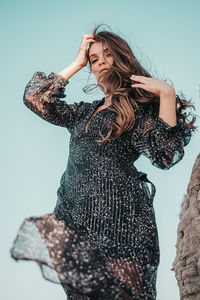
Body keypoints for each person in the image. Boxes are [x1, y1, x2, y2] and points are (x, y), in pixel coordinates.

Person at [10, 25, 196, 300]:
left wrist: (166, 95)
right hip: (76, 222)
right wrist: (77, 62)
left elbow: (165, 155)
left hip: (122, 224)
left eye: (107, 55)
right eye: (94, 60)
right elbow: (34, 97)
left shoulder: (135, 111)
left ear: (122, 59)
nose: (101, 63)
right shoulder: (81, 113)